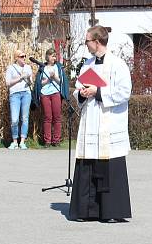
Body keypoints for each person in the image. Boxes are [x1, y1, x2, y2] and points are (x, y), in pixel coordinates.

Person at [69, 25, 133, 222]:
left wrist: (98, 92)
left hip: (109, 121)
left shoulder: (118, 64)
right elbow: (78, 87)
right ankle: (86, 210)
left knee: (108, 164)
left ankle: (111, 211)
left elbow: (124, 92)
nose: (86, 44)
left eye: (87, 41)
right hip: (91, 120)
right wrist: (81, 93)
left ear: (97, 42)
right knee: (88, 163)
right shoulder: (87, 64)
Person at [34, 48, 69, 147]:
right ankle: (47, 141)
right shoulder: (43, 68)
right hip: (45, 94)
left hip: (55, 93)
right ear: (47, 57)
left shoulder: (58, 67)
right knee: (47, 117)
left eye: (55, 55)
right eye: (52, 55)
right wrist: (48, 80)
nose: (54, 57)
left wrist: (54, 77)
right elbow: (39, 83)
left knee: (57, 117)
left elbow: (62, 82)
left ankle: (56, 140)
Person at [5, 50, 33, 149]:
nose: (24, 58)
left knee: (25, 118)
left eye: (24, 56)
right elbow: (8, 83)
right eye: (21, 56)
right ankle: (14, 141)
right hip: (15, 94)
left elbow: (30, 84)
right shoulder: (11, 68)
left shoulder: (28, 68)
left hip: (26, 93)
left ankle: (22, 141)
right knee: (14, 119)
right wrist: (20, 78)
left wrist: (28, 78)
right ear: (16, 58)